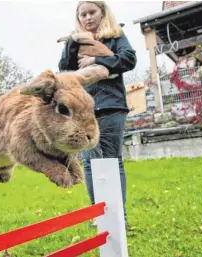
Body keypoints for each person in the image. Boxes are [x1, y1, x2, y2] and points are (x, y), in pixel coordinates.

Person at [58, 1, 137, 227]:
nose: (87, 18)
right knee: (89, 162)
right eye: (82, 14)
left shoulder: (115, 35)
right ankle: (98, 215)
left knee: (112, 160)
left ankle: (119, 217)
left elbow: (129, 59)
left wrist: (97, 60)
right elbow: (64, 68)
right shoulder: (75, 39)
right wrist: (72, 44)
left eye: (92, 12)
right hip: (83, 109)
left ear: (102, 13)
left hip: (111, 105)